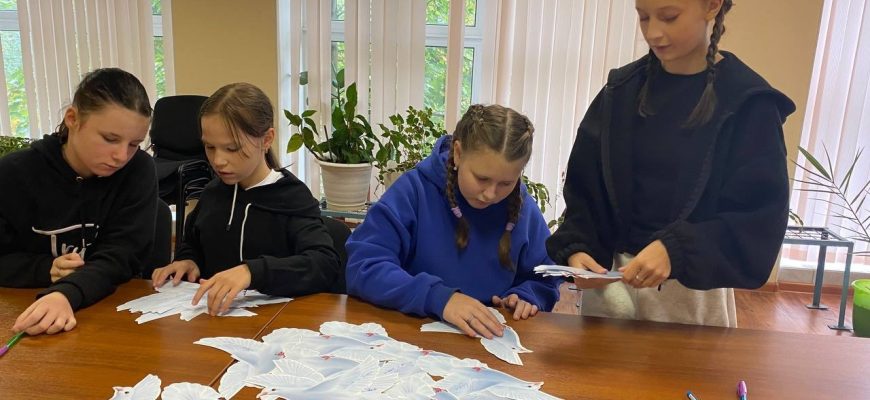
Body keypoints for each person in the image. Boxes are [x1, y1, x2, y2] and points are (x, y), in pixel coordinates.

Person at [547, 0, 795, 327]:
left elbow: (757, 221)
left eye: (669, 17)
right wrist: (579, 249)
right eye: (643, 17)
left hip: (693, 298)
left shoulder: (748, 104)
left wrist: (677, 251)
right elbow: (586, 192)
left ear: (712, 6)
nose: (653, 32)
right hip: (611, 292)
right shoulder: (621, 91)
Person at [346, 104, 561, 339]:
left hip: (489, 337)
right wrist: (437, 297)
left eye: (506, 183)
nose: (490, 194)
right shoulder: (414, 191)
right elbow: (364, 266)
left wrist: (527, 296)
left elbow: (545, 277)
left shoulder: (522, 206)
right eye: (481, 178)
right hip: (413, 333)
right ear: (458, 153)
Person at [151, 82, 342, 316]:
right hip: (215, 318)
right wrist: (188, 262)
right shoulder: (212, 194)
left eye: (232, 148)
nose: (218, 160)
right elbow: (193, 245)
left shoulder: (292, 197)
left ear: (267, 139)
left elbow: (323, 264)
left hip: (276, 321)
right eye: (210, 147)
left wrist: (252, 272)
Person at [0, 68, 157, 335]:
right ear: (73, 119)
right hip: (24, 309)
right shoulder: (14, 173)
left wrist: (66, 293)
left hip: (106, 313)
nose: (121, 156)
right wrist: (46, 269)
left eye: (134, 144)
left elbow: (121, 257)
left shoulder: (138, 170)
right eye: (110, 139)